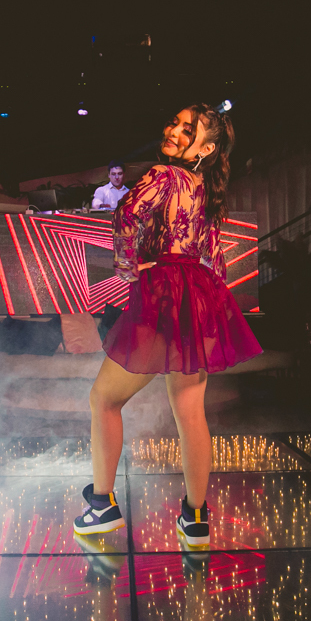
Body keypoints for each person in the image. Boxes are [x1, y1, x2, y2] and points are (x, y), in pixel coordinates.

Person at [74, 104, 261, 548]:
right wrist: (209, 301)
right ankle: (195, 519)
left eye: (187, 129)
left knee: (103, 399)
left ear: (206, 149)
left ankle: (101, 506)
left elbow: (125, 216)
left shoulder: (164, 175)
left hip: (165, 292)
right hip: (199, 294)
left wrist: (130, 268)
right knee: (190, 411)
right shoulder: (205, 189)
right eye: (175, 123)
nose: (174, 130)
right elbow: (213, 256)